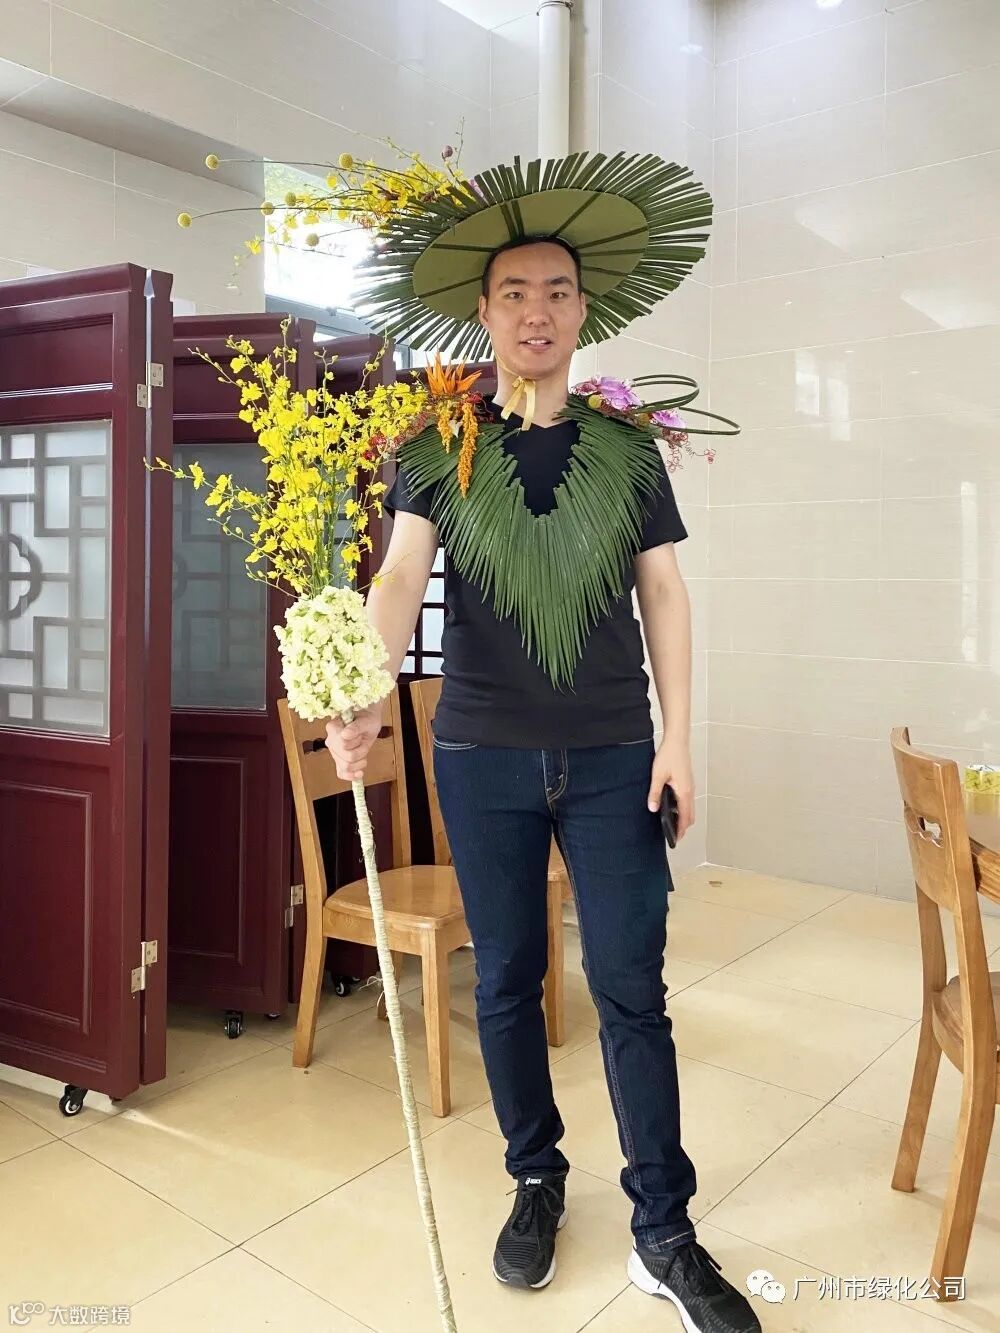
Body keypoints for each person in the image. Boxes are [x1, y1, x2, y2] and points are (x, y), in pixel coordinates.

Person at [325, 203, 759, 1328]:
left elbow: (663, 590)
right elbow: (398, 580)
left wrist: (677, 736)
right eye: (514, 293)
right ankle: (536, 1177)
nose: (536, 311)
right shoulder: (441, 446)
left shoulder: (626, 448)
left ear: (582, 312)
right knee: (507, 983)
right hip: (481, 757)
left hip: (616, 756)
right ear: (484, 313)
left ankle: (664, 1229)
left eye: (556, 293)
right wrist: (364, 692)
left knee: (630, 990)